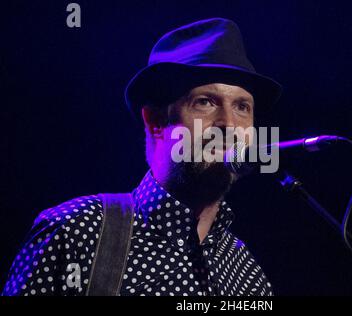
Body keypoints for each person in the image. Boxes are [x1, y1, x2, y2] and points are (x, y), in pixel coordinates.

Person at [2, 17, 282, 296]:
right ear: (155, 122)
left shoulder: (247, 271)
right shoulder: (77, 231)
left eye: (242, 107)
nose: (230, 124)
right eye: (205, 102)